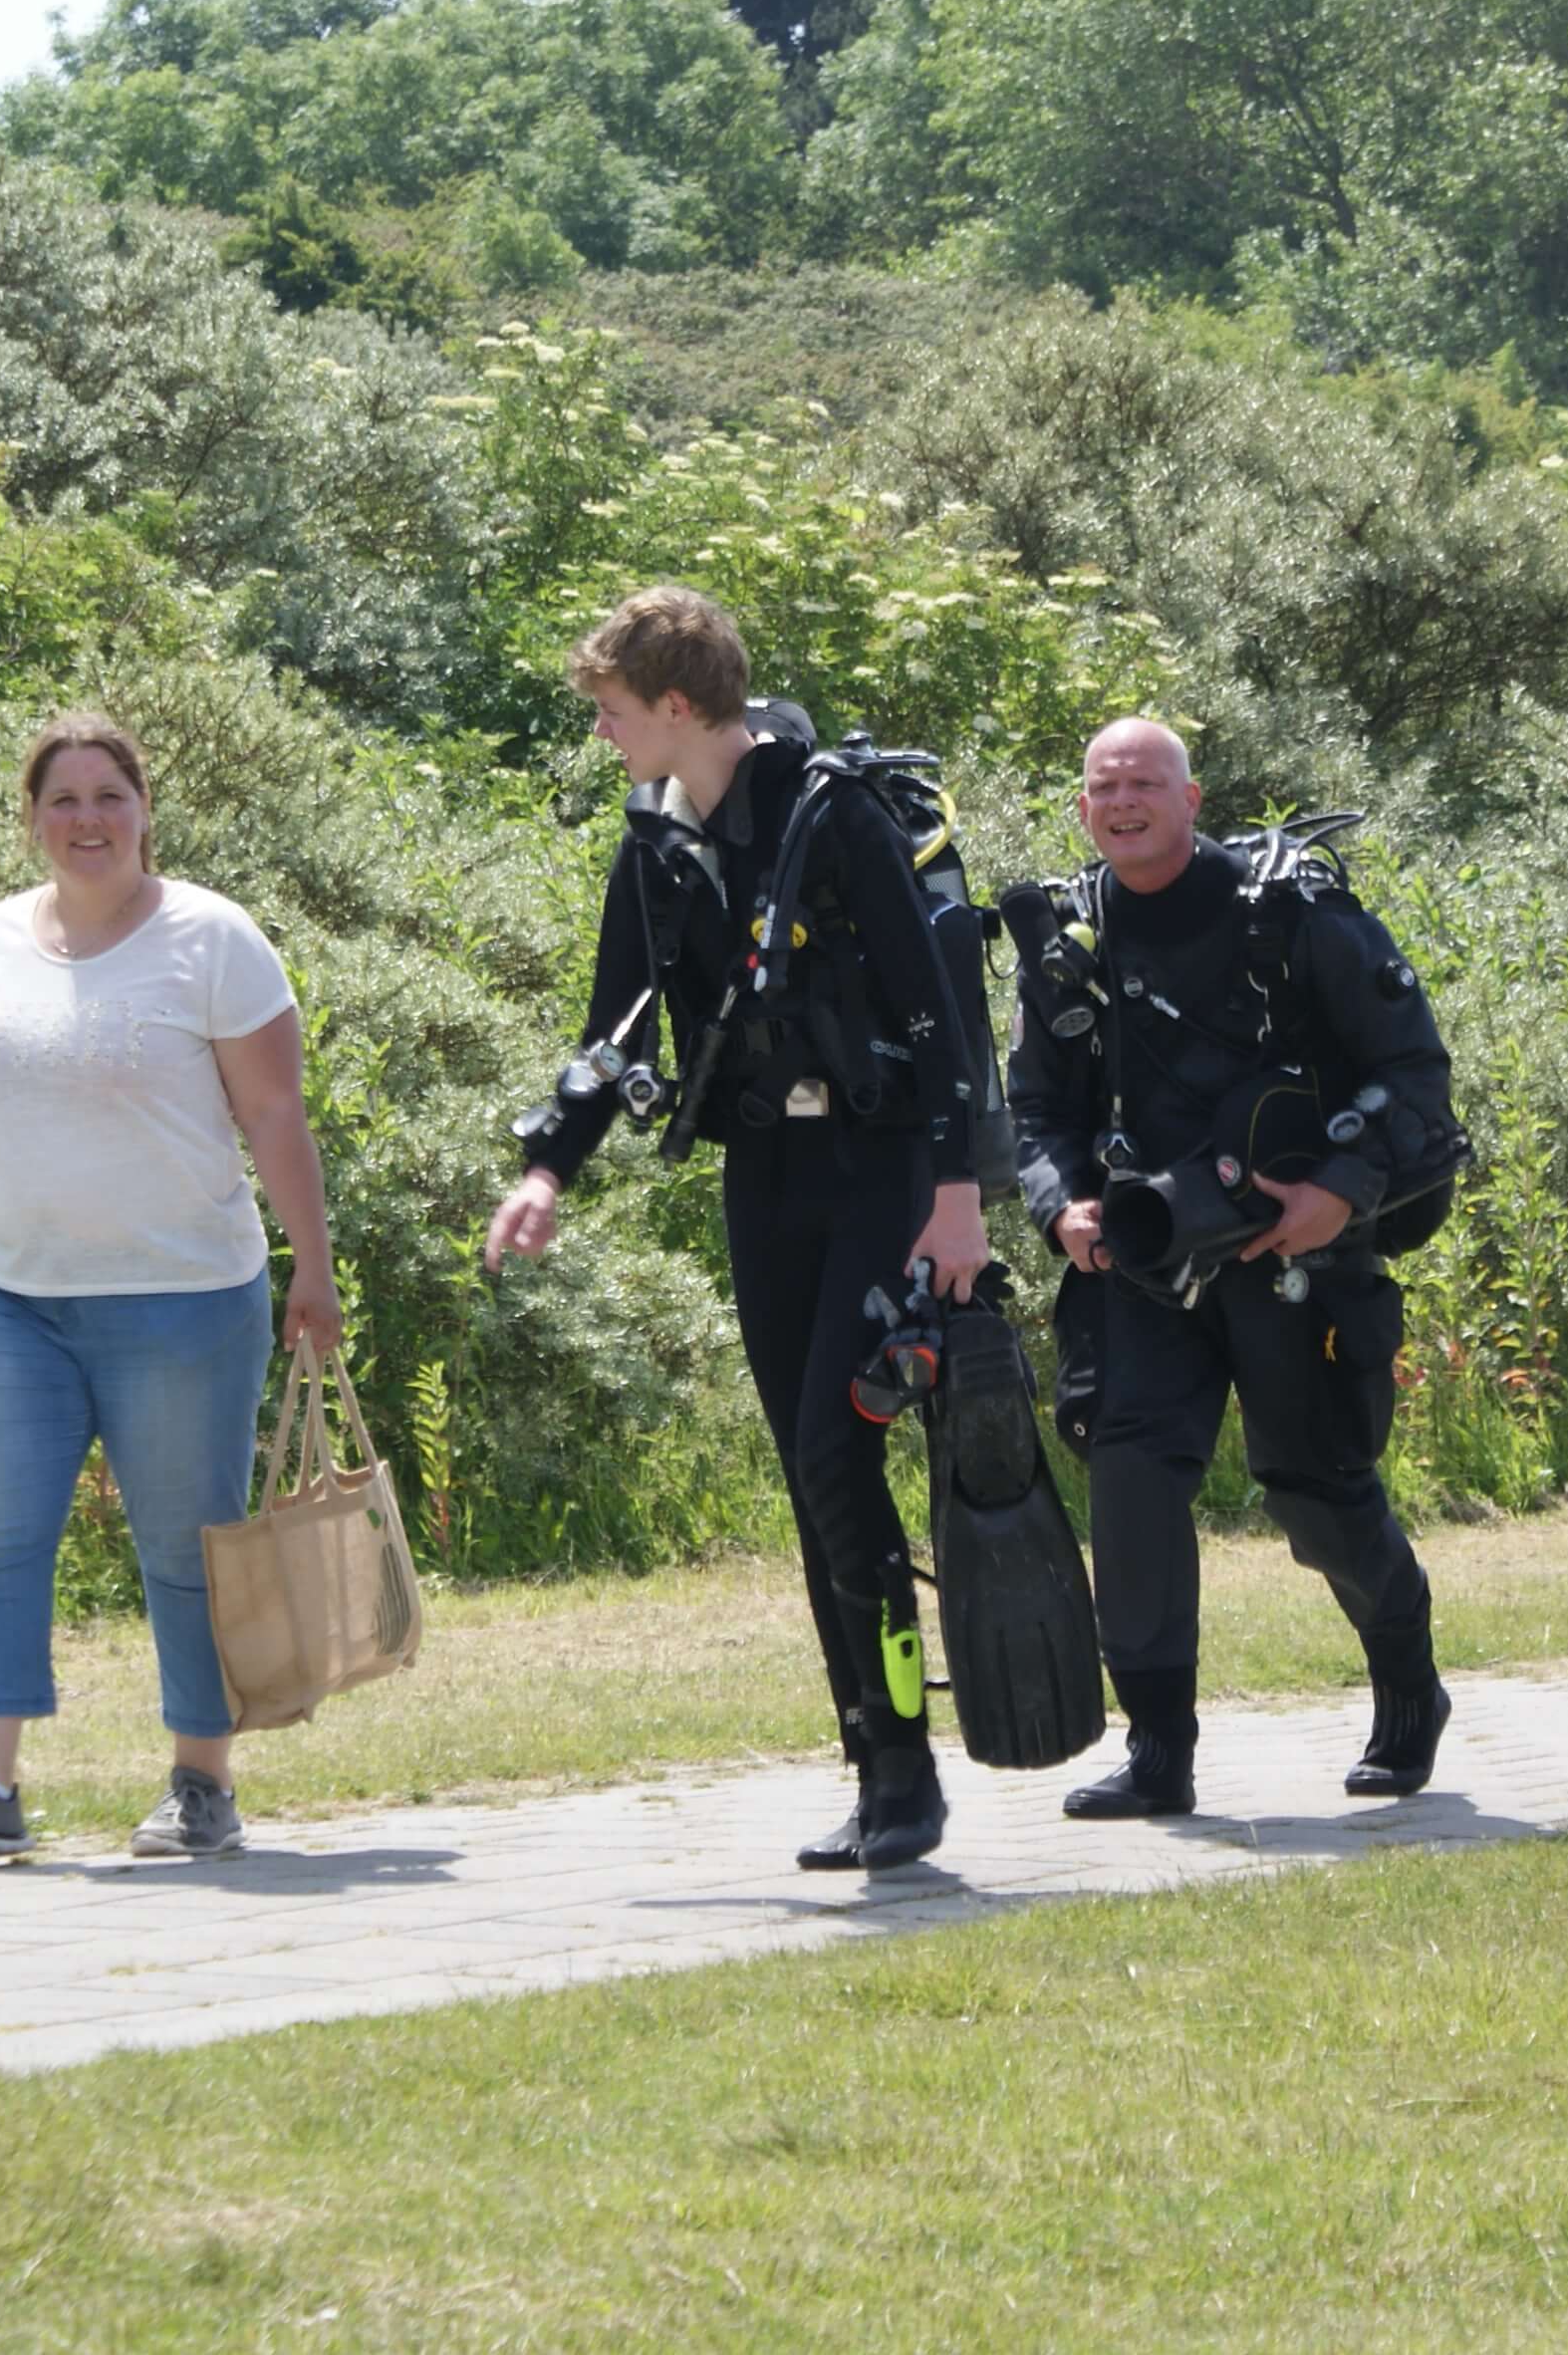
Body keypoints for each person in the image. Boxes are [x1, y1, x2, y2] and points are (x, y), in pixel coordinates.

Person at [481, 587, 996, 1875]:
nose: (599, 735)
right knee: (816, 1478)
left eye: (609, 712)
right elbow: (618, 1024)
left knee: (838, 1453)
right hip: (765, 1174)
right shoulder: (656, 839)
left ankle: (906, 1776)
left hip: (879, 1171)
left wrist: (956, 1194)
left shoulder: (836, 816)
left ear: (675, 704)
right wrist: (548, 1169)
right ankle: (877, 1767)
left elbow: (937, 1016)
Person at [0, 710, 343, 1862]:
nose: (85, 819)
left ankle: (200, 1782)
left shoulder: (211, 939)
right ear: (33, 819)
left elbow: (274, 1113)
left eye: (108, 796)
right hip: (11, 1294)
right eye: (62, 800)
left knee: (189, 1547)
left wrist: (313, 1270)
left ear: (145, 809)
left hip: (181, 1298)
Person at [1008, 717, 1459, 1819]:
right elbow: (1031, 1108)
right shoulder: (1071, 937)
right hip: (1142, 1262)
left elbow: (1413, 1071)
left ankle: (1407, 1685)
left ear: (1191, 796)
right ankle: (1158, 1751)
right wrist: (1058, 1203)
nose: (1122, 802)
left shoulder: (1289, 911)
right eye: (1102, 786)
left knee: (1317, 1498)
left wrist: (1337, 1195)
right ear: (1081, 809)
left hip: (1291, 1251)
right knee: (1131, 1488)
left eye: (1144, 783)